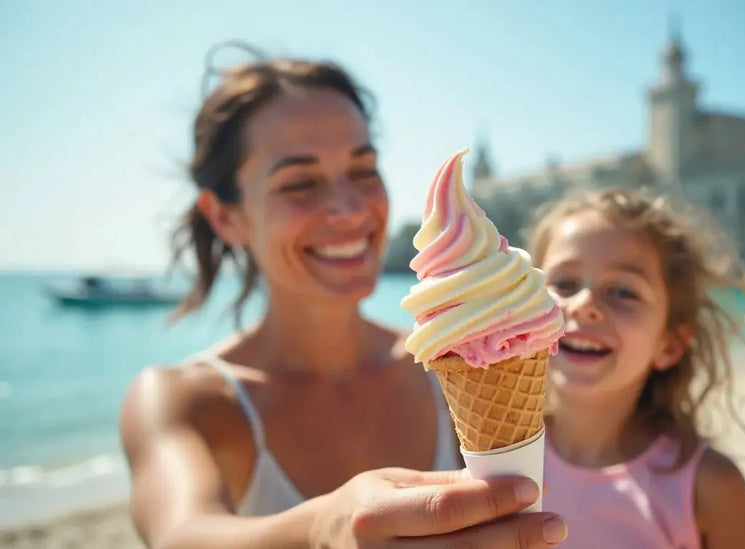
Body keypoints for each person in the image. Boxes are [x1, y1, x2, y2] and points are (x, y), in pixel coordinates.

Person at [120, 48, 568, 548]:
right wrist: (320, 529)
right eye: (301, 183)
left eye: (363, 170)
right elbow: (180, 536)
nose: (350, 209)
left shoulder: (457, 362)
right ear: (225, 217)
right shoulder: (183, 398)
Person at [525, 189, 745, 548]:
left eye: (623, 292)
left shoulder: (708, 486)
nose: (584, 304)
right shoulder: (491, 455)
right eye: (563, 283)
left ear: (669, 345)